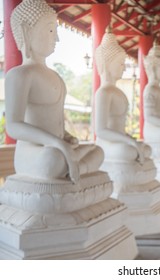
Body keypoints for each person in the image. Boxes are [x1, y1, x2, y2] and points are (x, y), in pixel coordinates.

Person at [5, 0, 103, 183]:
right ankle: (72, 167)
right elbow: (13, 126)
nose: (56, 38)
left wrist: (66, 137)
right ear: (27, 31)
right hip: (35, 153)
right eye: (51, 31)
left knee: (97, 151)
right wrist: (58, 143)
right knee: (52, 159)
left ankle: (73, 168)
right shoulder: (19, 75)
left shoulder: (56, 77)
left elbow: (55, 120)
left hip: (59, 148)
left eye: (56, 32)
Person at [95, 29, 150, 164]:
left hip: (121, 141)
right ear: (107, 64)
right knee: (127, 152)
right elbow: (101, 131)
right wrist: (129, 140)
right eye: (121, 63)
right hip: (107, 143)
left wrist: (129, 139)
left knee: (147, 149)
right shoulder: (103, 92)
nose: (124, 68)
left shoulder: (117, 92)